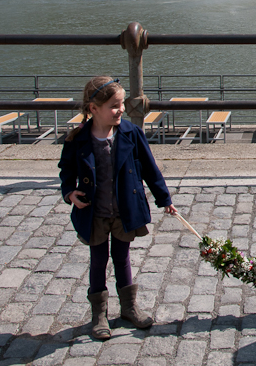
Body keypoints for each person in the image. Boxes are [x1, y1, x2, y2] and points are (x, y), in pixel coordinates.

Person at [58, 76, 177, 340]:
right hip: (94, 212)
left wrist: (164, 199)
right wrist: (69, 193)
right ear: (93, 109)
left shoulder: (130, 133)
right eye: (114, 105)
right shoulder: (77, 138)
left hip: (125, 210)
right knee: (98, 261)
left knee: (122, 258)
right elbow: (66, 169)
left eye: (121, 104)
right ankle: (99, 315)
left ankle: (129, 307)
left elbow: (149, 169)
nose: (121, 109)